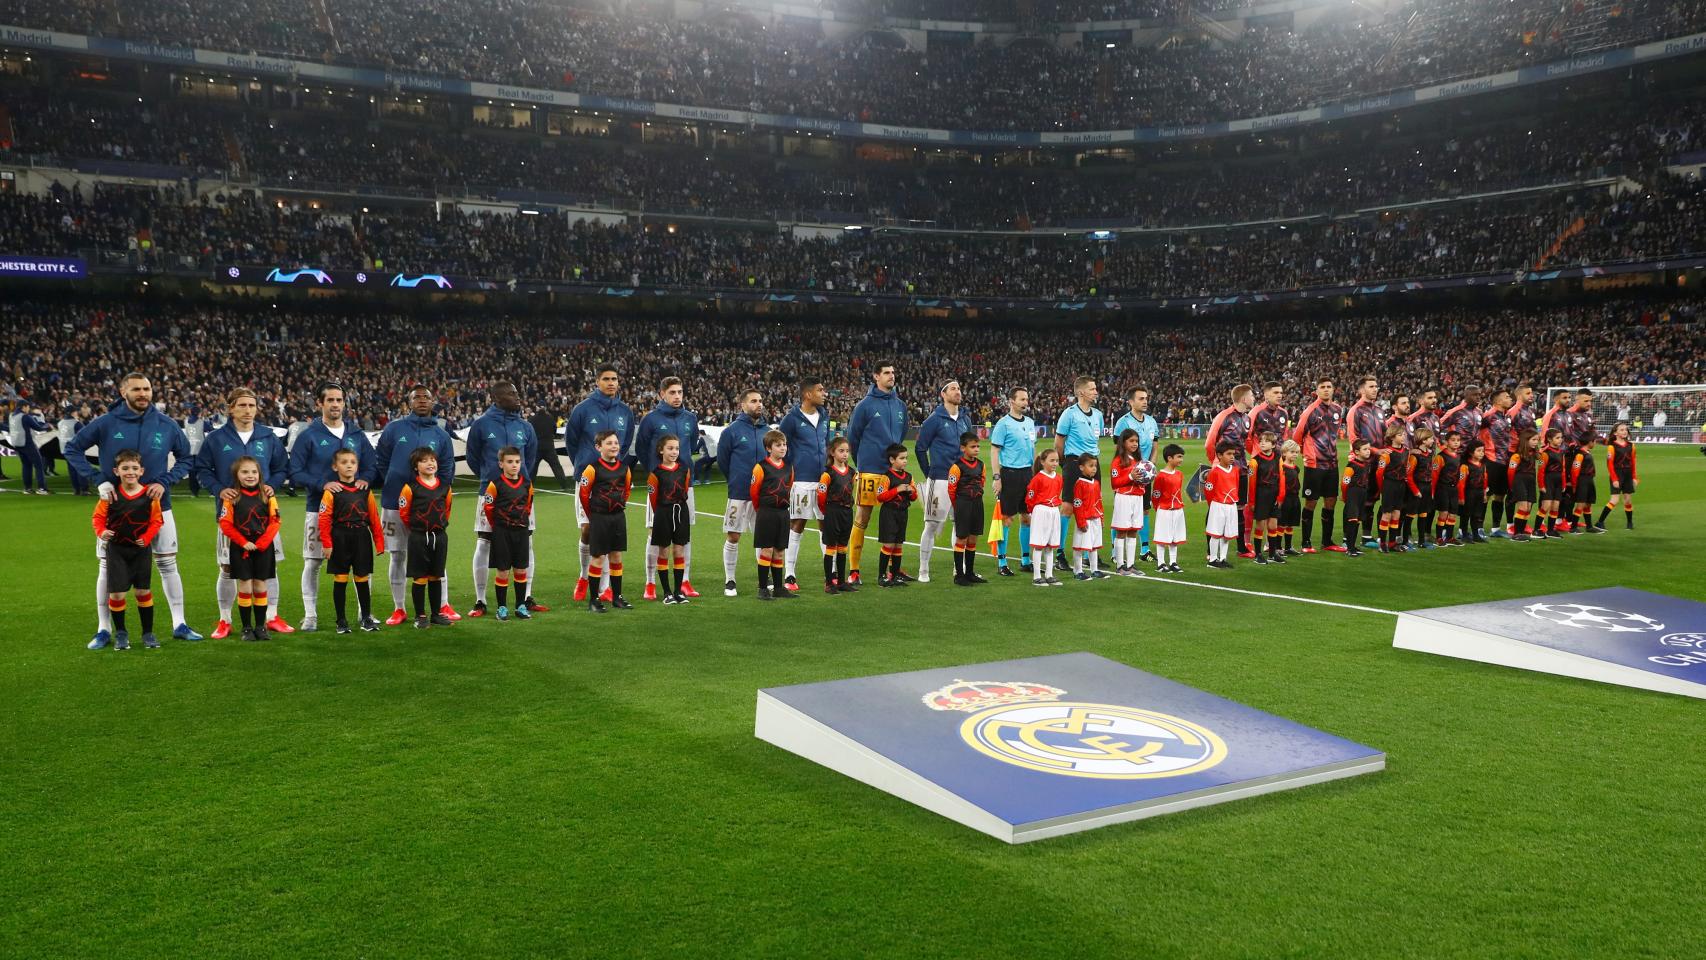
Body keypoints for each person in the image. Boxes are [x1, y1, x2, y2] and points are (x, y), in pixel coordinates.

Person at [68, 372, 201, 648]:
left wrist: (165, 481)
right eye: (137, 389)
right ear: (123, 391)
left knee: (167, 564)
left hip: (157, 507)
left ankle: (180, 623)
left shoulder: (166, 424)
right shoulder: (106, 423)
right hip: (115, 511)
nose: (143, 394)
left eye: (147, 389)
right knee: (106, 568)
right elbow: (72, 449)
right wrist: (99, 480)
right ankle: (103, 629)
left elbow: (187, 458)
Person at [194, 387, 292, 640]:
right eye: (242, 405)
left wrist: (274, 484)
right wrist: (219, 489)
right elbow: (202, 469)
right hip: (231, 518)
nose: (248, 410)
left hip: (263, 517)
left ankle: (271, 616)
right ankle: (225, 619)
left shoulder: (267, 437)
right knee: (227, 569)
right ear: (231, 408)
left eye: (251, 405)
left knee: (269, 569)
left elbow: (282, 468)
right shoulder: (216, 438)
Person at [288, 381, 376, 632]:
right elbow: (294, 471)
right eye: (330, 400)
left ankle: (363, 613)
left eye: (339, 400)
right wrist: (321, 484)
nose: (335, 404)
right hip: (319, 510)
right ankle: (311, 615)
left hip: (355, 513)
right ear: (320, 403)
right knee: (314, 562)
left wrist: (365, 480)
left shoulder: (356, 434)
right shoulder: (309, 436)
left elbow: (371, 465)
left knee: (361, 565)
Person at [375, 384, 458, 626]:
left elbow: (447, 468)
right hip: (394, 503)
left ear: (433, 402)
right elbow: (382, 460)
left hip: (430, 505)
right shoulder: (394, 429)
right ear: (409, 402)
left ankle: (442, 604)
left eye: (427, 397)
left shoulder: (441, 434)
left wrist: (435, 494)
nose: (422, 400)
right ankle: (399, 608)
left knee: (435, 556)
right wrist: (394, 481)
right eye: (417, 397)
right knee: (398, 555)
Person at [465, 381, 542, 618]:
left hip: (520, 494)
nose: (517, 396)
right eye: (512, 393)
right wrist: (491, 480)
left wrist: (517, 483)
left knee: (525, 543)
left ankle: (525, 598)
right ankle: (480, 600)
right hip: (490, 494)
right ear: (496, 397)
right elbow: (472, 458)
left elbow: (530, 459)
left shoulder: (525, 426)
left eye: (517, 392)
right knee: (484, 543)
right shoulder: (481, 425)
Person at [566, 365, 635, 603]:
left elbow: (624, 444)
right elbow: (571, 441)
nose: (611, 383)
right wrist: (585, 465)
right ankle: (584, 576)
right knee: (587, 530)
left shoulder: (625, 411)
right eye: (606, 379)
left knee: (611, 537)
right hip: (589, 479)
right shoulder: (582, 410)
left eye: (615, 379)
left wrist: (614, 467)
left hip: (613, 480)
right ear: (597, 381)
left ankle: (606, 587)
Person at [91, 450, 164, 651]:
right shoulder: (110, 495)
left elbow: (157, 520)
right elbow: (97, 518)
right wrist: (102, 531)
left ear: (141, 471)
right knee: (117, 594)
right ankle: (121, 633)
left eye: (134, 468)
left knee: (143, 591)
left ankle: (148, 633)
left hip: (140, 551)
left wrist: (147, 537)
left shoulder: (150, 495)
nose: (130, 472)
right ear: (116, 471)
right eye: (125, 468)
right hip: (117, 550)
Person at [637, 376, 702, 600]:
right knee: (653, 534)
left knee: (685, 535)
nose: (677, 396)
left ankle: (684, 581)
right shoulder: (651, 419)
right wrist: (658, 474)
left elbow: (692, 445)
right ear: (662, 394)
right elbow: (642, 448)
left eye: (680, 392)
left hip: (685, 484)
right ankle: (650, 582)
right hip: (660, 486)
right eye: (672, 392)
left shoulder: (690, 418)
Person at [845, 362, 906, 585]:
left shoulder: (901, 405)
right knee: (862, 518)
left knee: (896, 519)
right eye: (887, 373)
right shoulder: (865, 406)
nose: (892, 376)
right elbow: (853, 437)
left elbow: (902, 434)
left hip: (894, 472)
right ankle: (854, 570)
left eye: (893, 372)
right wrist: (862, 462)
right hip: (871, 470)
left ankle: (893, 569)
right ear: (876, 377)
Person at [914, 380, 976, 585]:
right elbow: (920, 448)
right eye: (953, 389)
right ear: (943, 394)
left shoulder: (966, 419)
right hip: (940, 479)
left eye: (959, 388)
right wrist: (929, 472)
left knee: (960, 526)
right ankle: (923, 568)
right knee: (932, 525)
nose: (958, 392)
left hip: (963, 480)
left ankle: (960, 569)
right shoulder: (934, 420)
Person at [318, 447, 384, 633]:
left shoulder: (365, 490)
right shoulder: (332, 491)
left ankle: (366, 618)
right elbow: (323, 519)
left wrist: (379, 542)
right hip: (340, 537)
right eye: (344, 462)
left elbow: (373, 517)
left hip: (362, 537)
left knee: (362, 578)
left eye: (352, 463)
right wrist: (327, 544)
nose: (349, 466)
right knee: (341, 578)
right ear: (335, 466)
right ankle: (341, 621)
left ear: (357, 466)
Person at [217, 456, 282, 642]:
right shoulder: (232, 497)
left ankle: (261, 627)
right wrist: (242, 542)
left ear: (260, 474)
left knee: (260, 584)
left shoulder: (267, 495)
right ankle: (246, 628)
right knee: (245, 584)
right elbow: (225, 523)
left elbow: (276, 521)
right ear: (237, 475)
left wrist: (262, 543)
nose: (250, 475)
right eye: (245, 472)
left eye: (254, 472)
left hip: (263, 546)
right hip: (241, 547)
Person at [778, 379, 830, 594]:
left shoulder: (824, 415)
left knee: (825, 524)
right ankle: (789, 572)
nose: (824, 393)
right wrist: (790, 470)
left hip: (823, 479)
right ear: (808, 394)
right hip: (801, 480)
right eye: (820, 390)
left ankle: (831, 572)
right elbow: (781, 446)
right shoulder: (791, 419)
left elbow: (826, 443)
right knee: (797, 524)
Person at [716, 389, 768, 598]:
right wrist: (736, 479)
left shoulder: (767, 431)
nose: (759, 404)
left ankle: (764, 578)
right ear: (743, 405)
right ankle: (730, 579)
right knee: (734, 535)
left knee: (762, 536)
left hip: (763, 494)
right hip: (739, 491)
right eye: (754, 401)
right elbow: (723, 460)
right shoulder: (732, 431)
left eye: (760, 401)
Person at [579, 430, 633, 613]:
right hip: (599, 518)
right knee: (598, 557)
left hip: (618, 517)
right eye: (609, 443)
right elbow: (584, 495)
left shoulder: (624, 468)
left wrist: (618, 505)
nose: (614, 446)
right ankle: (593, 600)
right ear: (598, 447)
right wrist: (593, 514)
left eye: (616, 443)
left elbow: (626, 491)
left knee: (616, 556)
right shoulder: (592, 468)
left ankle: (617, 597)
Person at [399, 446, 454, 628]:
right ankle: (420, 616)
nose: (430, 463)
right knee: (420, 577)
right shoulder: (410, 488)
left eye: (432, 459)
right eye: (424, 460)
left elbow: (446, 510)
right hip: (419, 538)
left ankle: (436, 614)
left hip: (439, 537)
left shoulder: (445, 487)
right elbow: (404, 514)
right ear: (416, 466)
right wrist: (419, 529)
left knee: (436, 576)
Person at [1053, 376, 1103, 564]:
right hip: (1074, 463)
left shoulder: (1097, 414)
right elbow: (1059, 442)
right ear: (1081, 392)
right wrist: (1065, 463)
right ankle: (1059, 553)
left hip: (1093, 463)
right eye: (1092, 389)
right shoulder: (1069, 414)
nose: (1095, 391)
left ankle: (1087, 552)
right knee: (1068, 507)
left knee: (1092, 507)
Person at [482, 446, 536, 619]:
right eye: (510, 462)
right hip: (502, 533)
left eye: (517, 462)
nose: (514, 465)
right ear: (501, 464)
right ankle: (502, 607)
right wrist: (500, 525)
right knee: (503, 570)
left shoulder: (527, 484)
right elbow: (489, 508)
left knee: (520, 570)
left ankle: (520, 606)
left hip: (521, 532)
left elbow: (528, 505)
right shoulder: (495, 485)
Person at [1292, 378, 1346, 554]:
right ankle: (1306, 542)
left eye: (1329, 387)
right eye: (1322, 387)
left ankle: (1327, 541)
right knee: (1311, 502)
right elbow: (1297, 436)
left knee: (1330, 501)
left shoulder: (1338, 409)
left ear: (1333, 389)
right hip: (1314, 464)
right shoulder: (1310, 411)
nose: (1326, 390)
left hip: (1332, 463)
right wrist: (1306, 454)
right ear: (1316, 390)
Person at [988, 387, 1035, 576]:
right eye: (1022, 399)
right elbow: (994, 451)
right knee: (1007, 519)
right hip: (1009, 474)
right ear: (1011, 402)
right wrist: (997, 477)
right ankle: (1002, 562)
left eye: (1027, 399)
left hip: (1027, 475)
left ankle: (1025, 560)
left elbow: (1032, 451)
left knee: (1027, 517)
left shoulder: (1031, 423)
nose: (1026, 402)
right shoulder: (1003, 424)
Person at [1204, 384, 1255, 557]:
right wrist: (1216, 464)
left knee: (1239, 508)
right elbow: (1210, 443)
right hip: (1224, 471)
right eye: (1252, 395)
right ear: (1244, 399)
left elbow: (1245, 442)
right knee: (1215, 509)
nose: (1254, 398)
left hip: (1240, 470)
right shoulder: (1224, 416)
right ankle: (1210, 551)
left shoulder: (1247, 419)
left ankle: (1241, 548)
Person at [1111, 386, 1159, 560]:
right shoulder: (1123, 422)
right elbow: (1119, 447)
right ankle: (1115, 551)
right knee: (1122, 513)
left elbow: (1155, 444)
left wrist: (1151, 465)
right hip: (1127, 472)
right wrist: (1130, 468)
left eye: (1146, 398)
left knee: (1144, 510)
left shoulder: (1152, 421)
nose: (1145, 401)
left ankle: (1144, 549)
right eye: (1141, 398)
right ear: (1131, 402)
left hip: (1145, 474)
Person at [750, 430, 797, 601]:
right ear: (769, 448)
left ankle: (778, 588)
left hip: (783, 514)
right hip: (767, 513)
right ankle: (763, 588)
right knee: (767, 550)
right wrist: (761, 510)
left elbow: (789, 487)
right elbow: (754, 492)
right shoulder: (761, 467)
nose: (783, 448)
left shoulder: (788, 467)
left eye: (784, 444)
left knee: (779, 551)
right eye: (778, 445)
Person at [647, 434, 693, 604]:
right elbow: (653, 498)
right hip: (663, 513)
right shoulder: (655, 473)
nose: (674, 452)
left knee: (679, 550)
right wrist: (661, 513)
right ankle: (667, 592)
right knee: (664, 551)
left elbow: (685, 489)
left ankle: (678, 591)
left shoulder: (684, 469)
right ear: (661, 450)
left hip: (681, 511)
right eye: (670, 448)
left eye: (677, 448)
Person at [1346, 376, 1384, 545]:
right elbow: (1354, 439)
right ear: (1362, 390)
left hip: (1377, 463)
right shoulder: (1356, 410)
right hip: (1361, 463)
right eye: (1371, 386)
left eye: (1376, 386)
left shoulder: (1379, 410)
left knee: (1371, 499)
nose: (1375, 389)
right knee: (1355, 501)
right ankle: (1348, 538)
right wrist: (1375, 450)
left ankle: (1366, 536)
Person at [874, 443, 917, 589]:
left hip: (902, 513)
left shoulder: (909, 476)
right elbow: (880, 496)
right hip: (889, 513)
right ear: (892, 460)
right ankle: (882, 576)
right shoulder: (886, 477)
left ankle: (895, 574)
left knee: (898, 544)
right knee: (889, 544)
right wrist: (897, 490)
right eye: (902, 458)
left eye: (906, 458)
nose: (905, 461)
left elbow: (914, 497)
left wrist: (911, 492)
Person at [946, 432, 987, 586]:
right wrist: (958, 507)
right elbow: (951, 489)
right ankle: (959, 575)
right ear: (963, 448)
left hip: (977, 503)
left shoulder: (981, 465)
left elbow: (981, 482)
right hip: (963, 504)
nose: (976, 449)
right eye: (973, 447)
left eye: (978, 446)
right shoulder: (956, 467)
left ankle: (969, 573)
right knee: (961, 538)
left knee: (973, 538)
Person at [817, 437, 857, 594]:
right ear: (832, 453)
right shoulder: (828, 474)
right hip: (833, 511)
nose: (845, 454)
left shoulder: (852, 472)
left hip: (847, 512)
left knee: (843, 547)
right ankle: (829, 583)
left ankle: (841, 582)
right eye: (841, 451)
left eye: (847, 451)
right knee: (831, 547)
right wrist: (826, 511)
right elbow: (821, 496)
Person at [1478, 388, 1516, 539]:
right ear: (1498, 401)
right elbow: (1477, 434)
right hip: (1490, 460)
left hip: (1504, 461)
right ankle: (1479, 528)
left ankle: (1495, 528)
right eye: (1507, 397)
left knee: (1500, 495)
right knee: (1486, 494)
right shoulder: (1488, 416)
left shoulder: (1505, 416)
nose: (1510, 399)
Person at [1108, 429, 1146, 577]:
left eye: (1136, 441)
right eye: (1131, 441)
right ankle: (1120, 565)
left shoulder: (1137, 461)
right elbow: (1115, 483)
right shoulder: (1118, 461)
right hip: (1124, 497)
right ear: (1123, 442)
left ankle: (1130, 565)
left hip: (1137, 497)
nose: (1135, 444)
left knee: (1133, 530)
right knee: (1121, 530)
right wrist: (1130, 475)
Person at [1025, 448, 1064, 586]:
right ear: (1042, 462)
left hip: (1054, 511)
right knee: (1039, 545)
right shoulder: (1038, 479)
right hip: (1041, 511)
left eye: (1057, 461)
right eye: (1051, 460)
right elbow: (1030, 497)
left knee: (1050, 545)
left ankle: (1049, 574)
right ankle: (1036, 576)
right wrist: (1032, 512)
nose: (1055, 463)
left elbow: (1058, 494)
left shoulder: (1059, 478)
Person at [1203, 442, 1242, 569]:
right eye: (1228, 454)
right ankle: (1213, 559)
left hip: (1231, 506)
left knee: (1227, 534)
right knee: (1215, 533)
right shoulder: (1215, 472)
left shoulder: (1235, 470)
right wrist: (1213, 505)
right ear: (1219, 455)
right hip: (1218, 505)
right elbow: (1208, 490)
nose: (1232, 457)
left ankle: (1223, 558)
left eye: (1233, 454)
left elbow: (1236, 486)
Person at [1150, 444, 1187, 573]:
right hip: (1164, 510)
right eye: (1179, 457)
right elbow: (1156, 494)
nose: (1181, 459)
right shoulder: (1161, 476)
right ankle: (1161, 563)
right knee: (1162, 537)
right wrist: (1158, 508)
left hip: (1177, 509)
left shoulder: (1180, 474)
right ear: (1169, 458)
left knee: (1174, 537)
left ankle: (1173, 562)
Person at [1071, 453, 1107, 581]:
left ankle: (1094, 570)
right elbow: (1077, 504)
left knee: (1094, 546)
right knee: (1080, 546)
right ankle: (1078, 571)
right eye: (1090, 466)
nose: (1094, 468)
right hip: (1085, 520)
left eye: (1095, 466)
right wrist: (1081, 522)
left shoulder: (1096, 483)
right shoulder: (1079, 484)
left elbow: (1099, 502)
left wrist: (1101, 518)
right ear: (1081, 467)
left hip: (1095, 518)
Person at [1249, 432, 1283, 565]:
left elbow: (1282, 477)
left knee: (1273, 525)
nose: (1262, 443)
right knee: (1260, 525)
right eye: (1261, 440)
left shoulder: (1278, 458)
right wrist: (1252, 501)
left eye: (1266, 441)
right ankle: (1257, 554)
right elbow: (1251, 483)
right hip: (1261, 494)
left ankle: (1272, 553)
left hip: (1274, 493)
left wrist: (1280, 496)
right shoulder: (1254, 461)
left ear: (1273, 445)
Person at [1377, 422, 1410, 553]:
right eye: (1400, 435)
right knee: (1387, 514)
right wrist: (1382, 489)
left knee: (1397, 514)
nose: (1403, 437)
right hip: (1389, 485)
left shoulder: (1406, 450)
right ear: (1392, 437)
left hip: (1401, 485)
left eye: (1404, 435)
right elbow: (1379, 473)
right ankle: (1382, 543)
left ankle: (1392, 543)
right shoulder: (1387, 453)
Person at [1339, 438, 1374, 558]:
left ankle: (1353, 546)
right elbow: (1344, 483)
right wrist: (1345, 497)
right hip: (1353, 494)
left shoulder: (1366, 464)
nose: (1368, 451)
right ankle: (1349, 548)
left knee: (1358, 520)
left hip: (1362, 494)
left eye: (1369, 449)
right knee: (1352, 520)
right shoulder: (1351, 466)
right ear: (1357, 452)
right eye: (1365, 449)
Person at [1405, 427, 1438, 549]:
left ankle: (1421, 541)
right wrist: (1415, 491)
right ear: (1423, 440)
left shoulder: (1430, 454)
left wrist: (1431, 490)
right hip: (1417, 488)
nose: (1433, 440)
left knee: (1423, 514)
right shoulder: (1414, 456)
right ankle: (1405, 540)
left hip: (1427, 487)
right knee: (1411, 514)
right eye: (1430, 438)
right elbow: (1408, 476)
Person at [1601, 421, 1637, 529]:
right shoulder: (1612, 447)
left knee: (1628, 500)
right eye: (1621, 430)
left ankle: (1629, 523)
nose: (1624, 431)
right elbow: (1609, 464)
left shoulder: (1632, 446)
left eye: (1625, 429)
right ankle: (1600, 522)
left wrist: (1635, 477)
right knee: (1614, 500)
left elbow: (1633, 463)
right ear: (1615, 433)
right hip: (1617, 474)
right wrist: (1614, 479)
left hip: (1628, 474)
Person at [9, 403, 51, 494]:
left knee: (26, 465)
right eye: (28, 407)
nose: (28, 409)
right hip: (27, 443)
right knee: (39, 465)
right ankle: (41, 488)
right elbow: (39, 428)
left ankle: (27, 488)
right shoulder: (25, 416)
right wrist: (48, 426)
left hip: (17, 444)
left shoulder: (11, 416)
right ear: (24, 407)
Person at [1432, 432, 1464, 546]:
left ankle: (1450, 537)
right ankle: (1439, 537)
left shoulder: (1459, 456)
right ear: (1446, 442)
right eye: (1453, 440)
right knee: (1443, 513)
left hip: (1453, 489)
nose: (1456, 442)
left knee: (1452, 514)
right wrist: (1433, 492)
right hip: (1443, 488)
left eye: (1458, 440)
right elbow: (1434, 475)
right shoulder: (1440, 457)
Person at [1507, 430, 1540, 541]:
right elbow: (1511, 472)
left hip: (1530, 482)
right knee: (1523, 507)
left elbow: (1540, 464)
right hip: (1519, 481)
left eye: (1537, 440)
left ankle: (1521, 532)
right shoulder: (1517, 456)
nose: (1536, 442)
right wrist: (1512, 486)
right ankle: (1516, 533)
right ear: (1525, 440)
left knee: (1528, 508)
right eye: (1533, 440)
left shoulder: (1534, 454)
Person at [529, 405, 569, 492]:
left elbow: (529, 433)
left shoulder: (532, 419)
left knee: (533, 468)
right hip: (549, 447)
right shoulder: (549, 418)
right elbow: (555, 431)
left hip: (537, 447)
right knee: (556, 467)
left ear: (537, 408)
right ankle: (564, 485)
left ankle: (528, 486)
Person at [1537, 428, 1568, 538]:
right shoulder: (1545, 453)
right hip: (1548, 480)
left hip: (1558, 482)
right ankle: (1537, 529)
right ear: (1549, 439)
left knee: (1555, 506)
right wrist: (1541, 485)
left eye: (1561, 438)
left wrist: (1564, 484)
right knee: (1546, 505)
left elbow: (1563, 470)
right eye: (1557, 438)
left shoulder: (1561, 453)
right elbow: (1540, 471)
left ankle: (1550, 530)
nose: (1560, 440)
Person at [1570, 434, 1603, 535]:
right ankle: (1573, 527)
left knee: (1588, 503)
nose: (1595, 443)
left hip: (1589, 480)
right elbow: (1575, 470)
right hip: (1582, 480)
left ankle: (1589, 526)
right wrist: (1575, 485)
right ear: (1590, 442)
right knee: (1581, 504)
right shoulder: (1580, 454)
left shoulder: (1586, 452)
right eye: (1594, 441)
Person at [57, 405, 91, 496]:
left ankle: (76, 490)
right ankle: (84, 489)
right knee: (81, 468)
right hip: (76, 449)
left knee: (71, 470)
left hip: (64, 449)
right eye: (76, 411)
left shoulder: (60, 423)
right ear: (73, 412)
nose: (77, 413)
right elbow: (85, 434)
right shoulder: (76, 423)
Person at [1461, 440, 1489, 545]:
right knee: (1466, 514)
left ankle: (1475, 535)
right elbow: (1461, 483)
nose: (1482, 453)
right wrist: (1461, 497)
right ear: (1471, 452)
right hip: (1469, 493)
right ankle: (1464, 534)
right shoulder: (1465, 466)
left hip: (1479, 493)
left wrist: (1485, 493)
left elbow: (1485, 480)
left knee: (1477, 514)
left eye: (1483, 451)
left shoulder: (1482, 465)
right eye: (1479, 451)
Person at [1278, 439, 1302, 556]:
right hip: (1285, 498)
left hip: (1295, 498)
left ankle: (1288, 547)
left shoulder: (1296, 468)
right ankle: (1277, 547)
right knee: (1282, 523)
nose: (1295, 454)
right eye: (1292, 452)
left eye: (1296, 452)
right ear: (1284, 453)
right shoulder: (1281, 468)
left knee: (1291, 523)